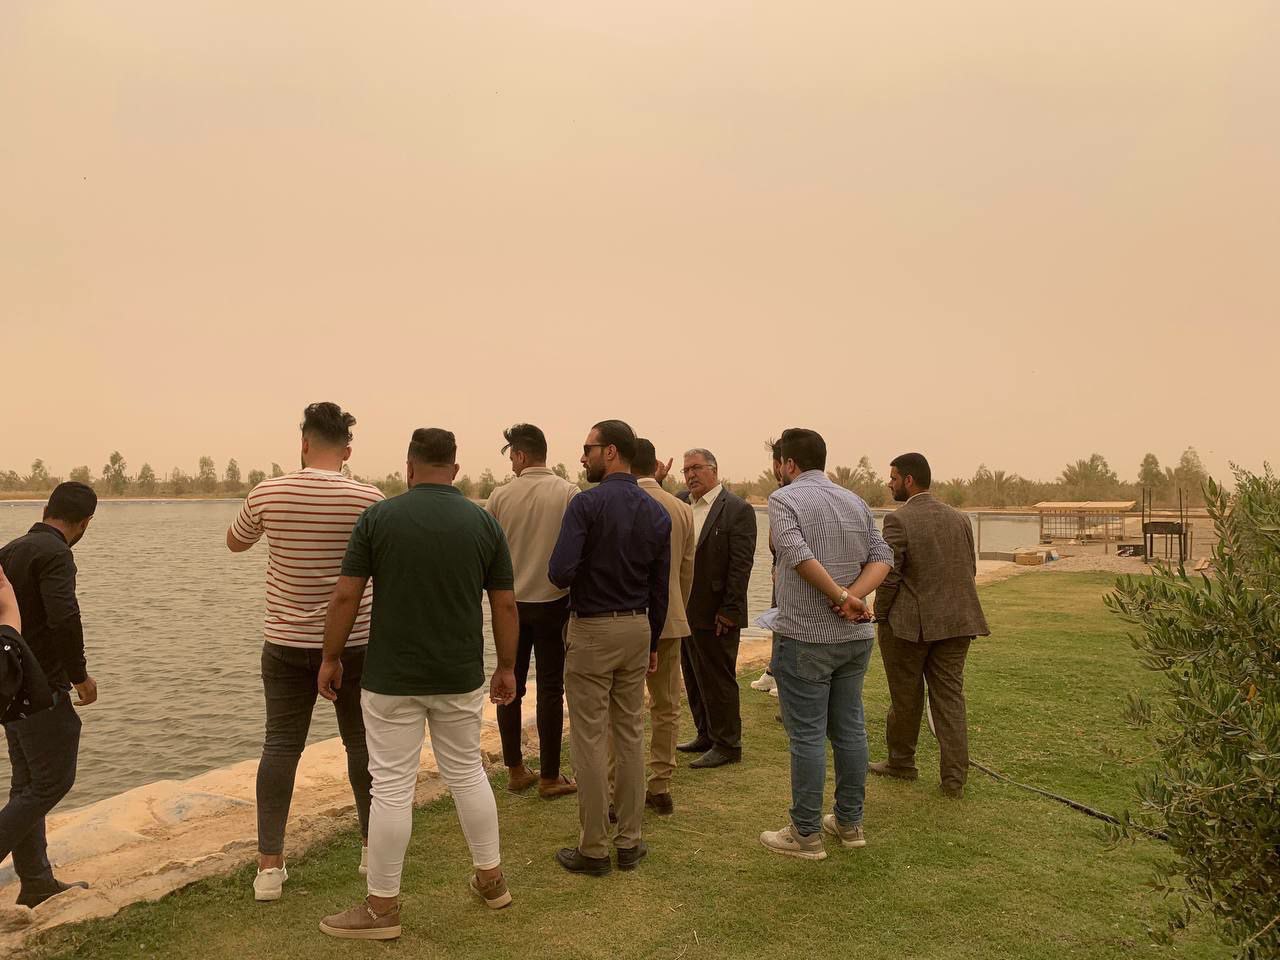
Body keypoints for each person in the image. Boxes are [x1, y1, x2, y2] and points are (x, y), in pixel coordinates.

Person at [317, 428, 518, 940]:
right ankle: (491, 880)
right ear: (455, 469)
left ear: (409, 467)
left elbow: (345, 596)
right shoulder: (483, 523)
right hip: (459, 674)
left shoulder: (378, 518)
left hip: (392, 677)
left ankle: (382, 908)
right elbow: (504, 603)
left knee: (390, 786)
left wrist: (330, 657)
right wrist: (507, 666)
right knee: (467, 773)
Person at [225, 402, 383, 902]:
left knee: (279, 747)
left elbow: (235, 543)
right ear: (348, 451)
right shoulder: (369, 499)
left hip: (285, 643)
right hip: (354, 641)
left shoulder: (268, 492)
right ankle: (371, 850)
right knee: (361, 745)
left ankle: (269, 869)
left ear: (304, 443)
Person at [759, 429, 892, 861]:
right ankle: (850, 822)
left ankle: (805, 832)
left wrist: (842, 596)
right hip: (854, 638)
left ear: (788, 464)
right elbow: (883, 557)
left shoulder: (784, 500)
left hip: (807, 636)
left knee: (808, 736)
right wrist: (855, 596)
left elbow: (796, 555)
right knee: (850, 729)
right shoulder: (854, 501)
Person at [548, 420, 670, 877]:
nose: (583, 457)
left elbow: (559, 572)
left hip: (593, 629)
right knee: (631, 735)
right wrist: (653, 638)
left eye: (588, 448)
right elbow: (660, 586)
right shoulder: (655, 510)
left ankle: (595, 848)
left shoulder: (586, 504)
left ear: (611, 451)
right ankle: (630, 842)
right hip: (637, 626)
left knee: (589, 739)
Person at [0, 481, 97, 907]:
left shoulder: (10, 551)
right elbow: (64, 617)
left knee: (27, 785)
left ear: (46, 509)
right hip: (41, 688)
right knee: (52, 780)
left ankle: (37, 883)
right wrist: (80, 675)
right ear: (84, 523)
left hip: (10, 685)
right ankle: (36, 880)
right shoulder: (57, 554)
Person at [871, 453, 989, 799]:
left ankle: (901, 762)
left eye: (893, 478)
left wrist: (880, 614)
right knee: (949, 698)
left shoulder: (898, 520)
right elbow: (969, 568)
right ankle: (954, 780)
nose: (889, 484)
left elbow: (889, 576)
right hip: (958, 622)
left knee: (906, 697)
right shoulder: (960, 518)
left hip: (910, 627)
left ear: (908, 480)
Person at [484, 423, 578, 799]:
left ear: (521, 455)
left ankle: (515, 769)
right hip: (555, 601)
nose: (511, 464)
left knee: (510, 685)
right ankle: (550, 777)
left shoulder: (500, 496)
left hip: (511, 605)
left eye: (512, 457)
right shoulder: (568, 493)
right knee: (551, 689)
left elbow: (488, 553)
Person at [609, 438, 694, 816]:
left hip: (622, 618)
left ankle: (614, 787)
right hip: (670, 618)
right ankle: (661, 783)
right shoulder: (681, 508)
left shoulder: (615, 502)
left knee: (618, 709)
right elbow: (686, 570)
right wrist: (677, 609)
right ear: (655, 464)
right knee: (666, 705)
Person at [676, 448, 757, 768]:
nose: (690, 475)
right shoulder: (682, 503)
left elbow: (741, 565)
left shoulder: (737, 509)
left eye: (696, 468)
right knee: (693, 674)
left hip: (717, 611)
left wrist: (730, 610)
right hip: (685, 608)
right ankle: (705, 734)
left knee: (718, 677)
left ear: (714, 470)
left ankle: (728, 744)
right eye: (686, 470)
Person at [750, 438, 786, 697]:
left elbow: (778, 540)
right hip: (780, 568)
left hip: (788, 571)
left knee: (785, 622)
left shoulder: (785, 496)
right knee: (777, 620)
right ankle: (773, 671)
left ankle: (783, 678)